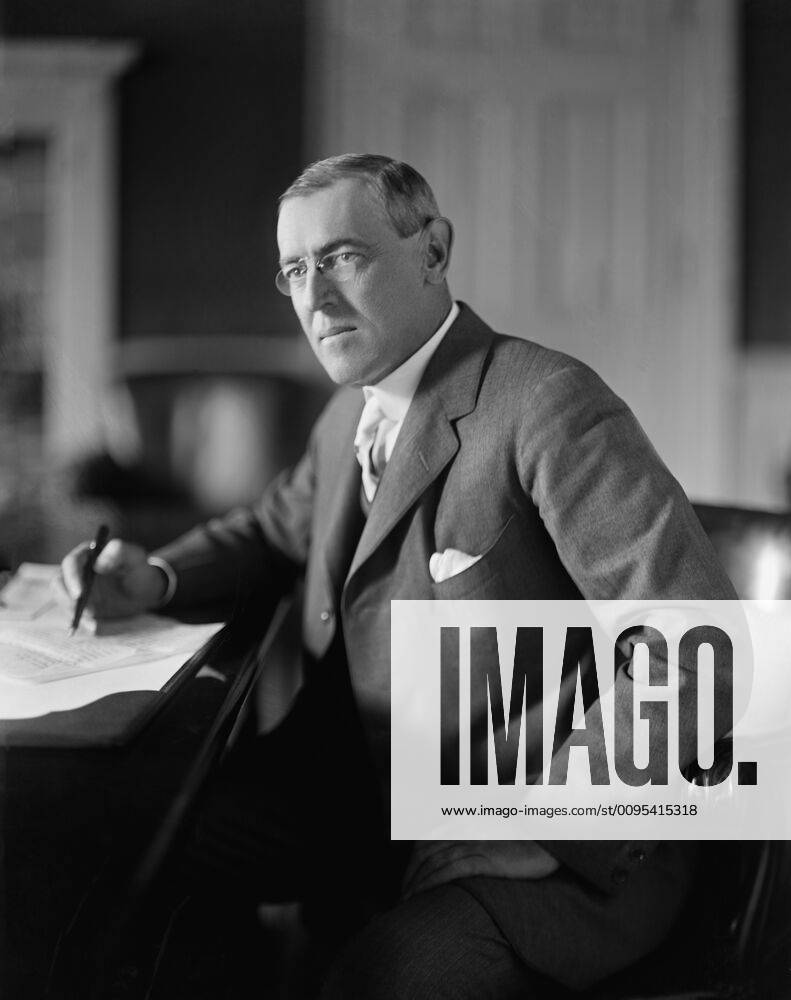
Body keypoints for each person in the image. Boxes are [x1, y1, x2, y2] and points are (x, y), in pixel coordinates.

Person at [61, 154, 737, 999]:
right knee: (115, 854)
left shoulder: (548, 403)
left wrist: (540, 824)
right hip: (366, 804)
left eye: (343, 256)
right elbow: (275, 528)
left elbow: (698, 650)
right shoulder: (352, 405)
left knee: (376, 983)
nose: (314, 295)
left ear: (433, 250)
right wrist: (155, 578)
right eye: (294, 270)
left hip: (549, 850)